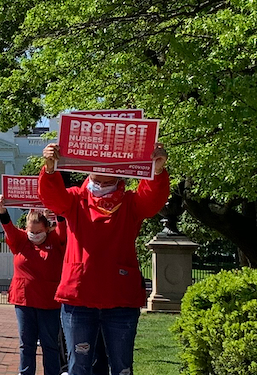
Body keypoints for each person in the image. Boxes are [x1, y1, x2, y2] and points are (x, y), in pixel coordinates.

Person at [38, 142, 169, 375]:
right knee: (79, 367)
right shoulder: (76, 198)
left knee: (122, 368)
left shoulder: (130, 202)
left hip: (119, 300)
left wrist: (157, 171)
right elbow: (53, 199)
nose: (104, 171)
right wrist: (49, 169)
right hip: (79, 298)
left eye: (109, 178)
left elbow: (151, 202)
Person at [0, 196, 66, 375]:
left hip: (49, 302)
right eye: (31, 231)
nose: (35, 235)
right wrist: (2, 210)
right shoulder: (21, 240)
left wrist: (58, 212)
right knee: (26, 343)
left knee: (50, 344)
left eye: (39, 231)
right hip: (24, 300)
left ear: (47, 229)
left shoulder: (55, 240)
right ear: (26, 230)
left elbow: (64, 230)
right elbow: (8, 228)